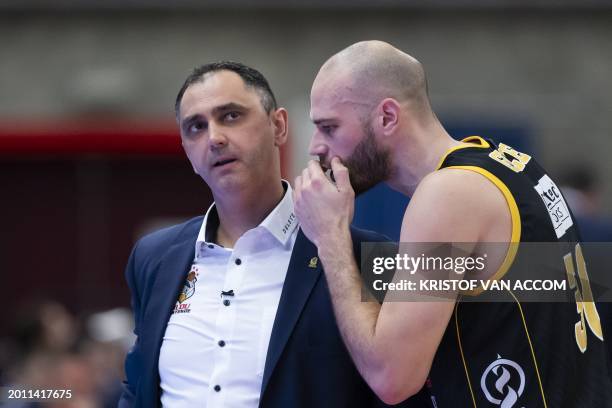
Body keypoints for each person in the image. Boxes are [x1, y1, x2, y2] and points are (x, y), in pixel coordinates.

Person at [294, 40, 612, 407]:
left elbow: (391, 377)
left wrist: (331, 237)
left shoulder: (448, 196)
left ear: (387, 117)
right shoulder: (512, 163)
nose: (315, 147)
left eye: (329, 128)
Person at [118, 61, 427, 407]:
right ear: (187, 152)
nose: (215, 138)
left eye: (231, 116)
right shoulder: (155, 256)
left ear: (278, 126)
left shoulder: (368, 255)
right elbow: (139, 385)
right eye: (196, 127)